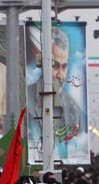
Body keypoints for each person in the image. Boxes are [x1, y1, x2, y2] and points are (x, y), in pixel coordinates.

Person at [27, 26, 85, 161]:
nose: (60, 75)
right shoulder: (25, 99)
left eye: (64, 66)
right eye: (55, 65)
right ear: (41, 62)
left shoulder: (74, 110)